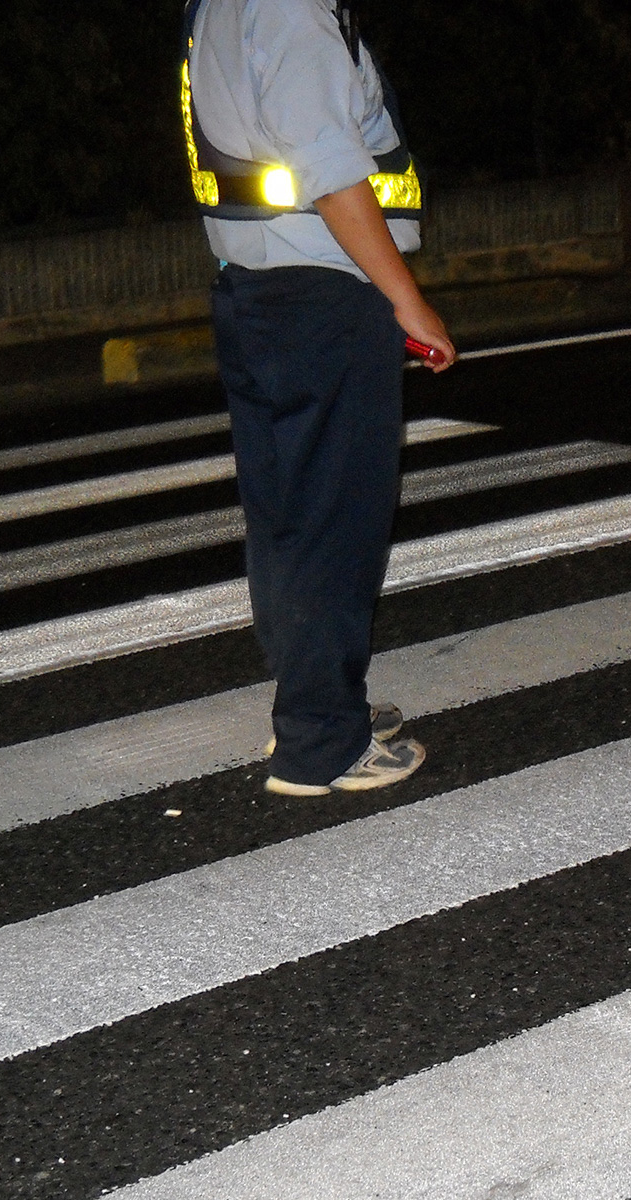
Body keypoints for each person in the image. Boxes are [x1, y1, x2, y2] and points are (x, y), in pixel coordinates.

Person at [180, 0, 456, 793]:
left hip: (258, 289)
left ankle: (313, 703)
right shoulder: (293, 9)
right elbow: (332, 174)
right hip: (325, 294)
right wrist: (406, 299)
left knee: (289, 518)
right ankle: (323, 741)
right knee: (338, 520)